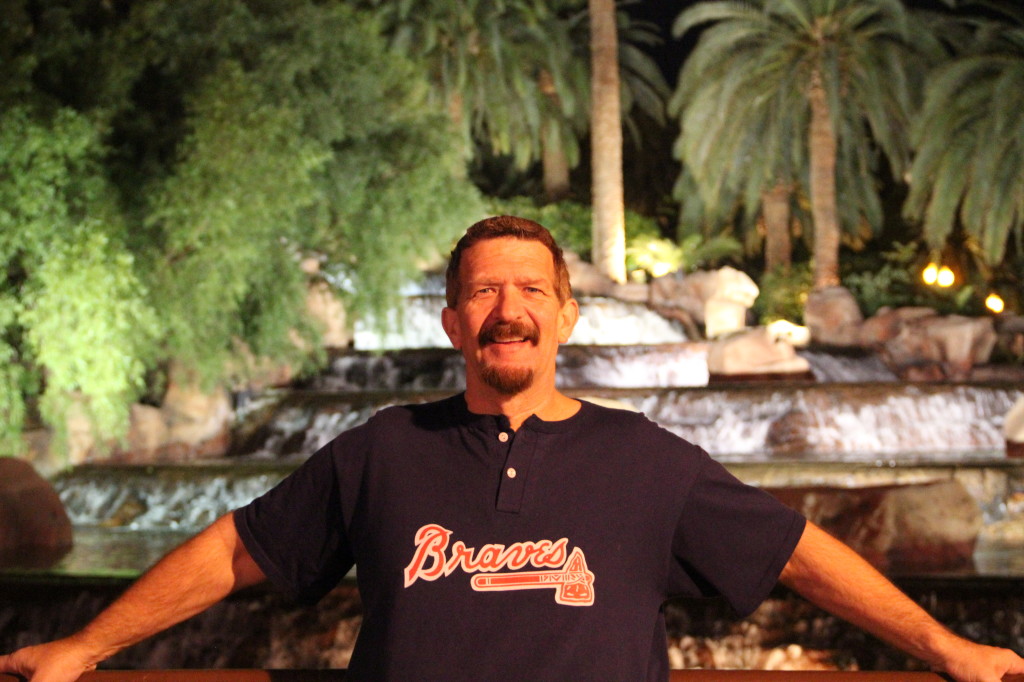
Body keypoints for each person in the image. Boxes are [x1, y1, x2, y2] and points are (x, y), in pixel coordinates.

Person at [2, 215, 1023, 682]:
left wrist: (946, 649)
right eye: (485, 290)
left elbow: (798, 552)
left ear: (567, 317)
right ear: (452, 323)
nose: (509, 308)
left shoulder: (648, 458)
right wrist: (87, 646)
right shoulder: (378, 450)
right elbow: (232, 550)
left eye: (532, 288)